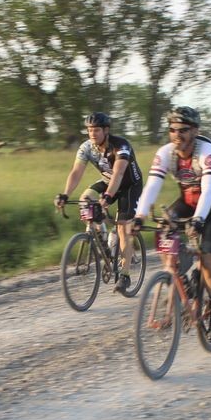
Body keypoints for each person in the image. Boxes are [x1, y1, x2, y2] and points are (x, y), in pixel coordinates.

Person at [132, 106, 211, 343]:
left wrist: (199, 220)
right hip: (188, 201)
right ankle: (178, 275)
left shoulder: (207, 152)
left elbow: (209, 190)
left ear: (195, 130)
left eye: (184, 130)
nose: (177, 135)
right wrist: (139, 216)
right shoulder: (167, 153)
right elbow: (152, 186)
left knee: (208, 258)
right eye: (172, 130)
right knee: (163, 231)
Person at [54, 112, 144, 293]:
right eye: (89, 130)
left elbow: (119, 174)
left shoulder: (121, 146)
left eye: (96, 130)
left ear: (106, 130)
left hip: (129, 186)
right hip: (107, 180)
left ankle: (125, 276)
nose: (92, 134)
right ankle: (102, 238)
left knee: (123, 228)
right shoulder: (86, 147)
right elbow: (76, 172)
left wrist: (109, 196)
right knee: (85, 200)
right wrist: (65, 194)